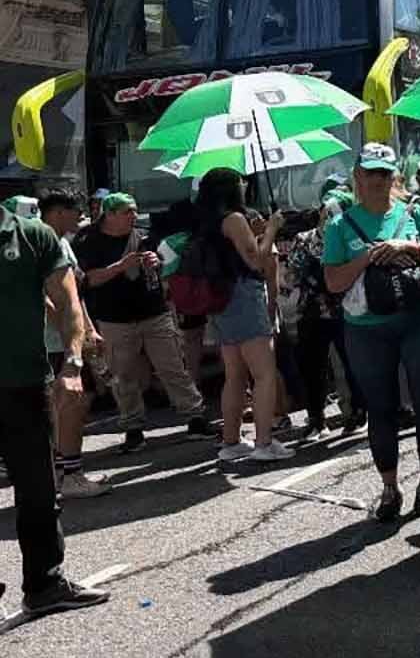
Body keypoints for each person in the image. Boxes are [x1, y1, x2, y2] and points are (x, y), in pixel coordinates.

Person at [322, 144, 420, 520]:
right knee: (380, 408)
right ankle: (389, 488)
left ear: (394, 177)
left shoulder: (415, 213)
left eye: (384, 173)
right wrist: (368, 256)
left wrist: (408, 247)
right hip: (367, 328)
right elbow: (333, 283)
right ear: (358, 178)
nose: (377, 181)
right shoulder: (339, 226)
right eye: (370, 174)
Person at [1, 201, 110, 620]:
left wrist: (73, 363)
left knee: (39, 492)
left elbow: (67, 303)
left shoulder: (33, 235)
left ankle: (45, 586)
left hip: (25, 384)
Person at [71, 192, 213, 454]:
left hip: (153, 312)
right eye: (127, 212)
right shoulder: (87, 240)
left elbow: (163, 263)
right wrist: (119, 266)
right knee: (123, 376)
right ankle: (133, 429)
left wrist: (157, 263)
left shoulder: (144, 236)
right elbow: (88, 280)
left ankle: (195, 417)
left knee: (173, 367)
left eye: (135, 210)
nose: (133, 216)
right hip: (114, 318)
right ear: (109, 215)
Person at [190, 170, 292, 462]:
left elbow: (240, 252)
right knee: (264, 373)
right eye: (241, 182)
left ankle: (231, 440)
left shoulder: (207, 221)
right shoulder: (234, 219)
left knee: (234, 375)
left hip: (222, 301)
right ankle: (264, 442)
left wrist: (257, 233)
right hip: (243, 296)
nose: (245, 186)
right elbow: (257, 261)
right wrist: (271, 229)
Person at [31, 193, 108, 499]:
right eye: (77, 211)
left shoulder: (59, 242)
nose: (82, 216)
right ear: (57, 212)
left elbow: (74, 295)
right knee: (67, 405)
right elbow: (51, 297)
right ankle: (68, 475)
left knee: (75, 402)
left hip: (67, 338)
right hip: (54, 342)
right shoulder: (44, 240)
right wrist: (67, 328)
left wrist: (87, 329)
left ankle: (64, 472)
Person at [282, 193, 366, 439]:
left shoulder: (351, 238)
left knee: (351, 365)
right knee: (312, 368)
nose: (329, 218)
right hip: (311, 311)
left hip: (346, 310)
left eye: (335, 212)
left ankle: (357, 414)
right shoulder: (304, 239)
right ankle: (316, 419)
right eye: (325, 212)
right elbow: (290, 275)